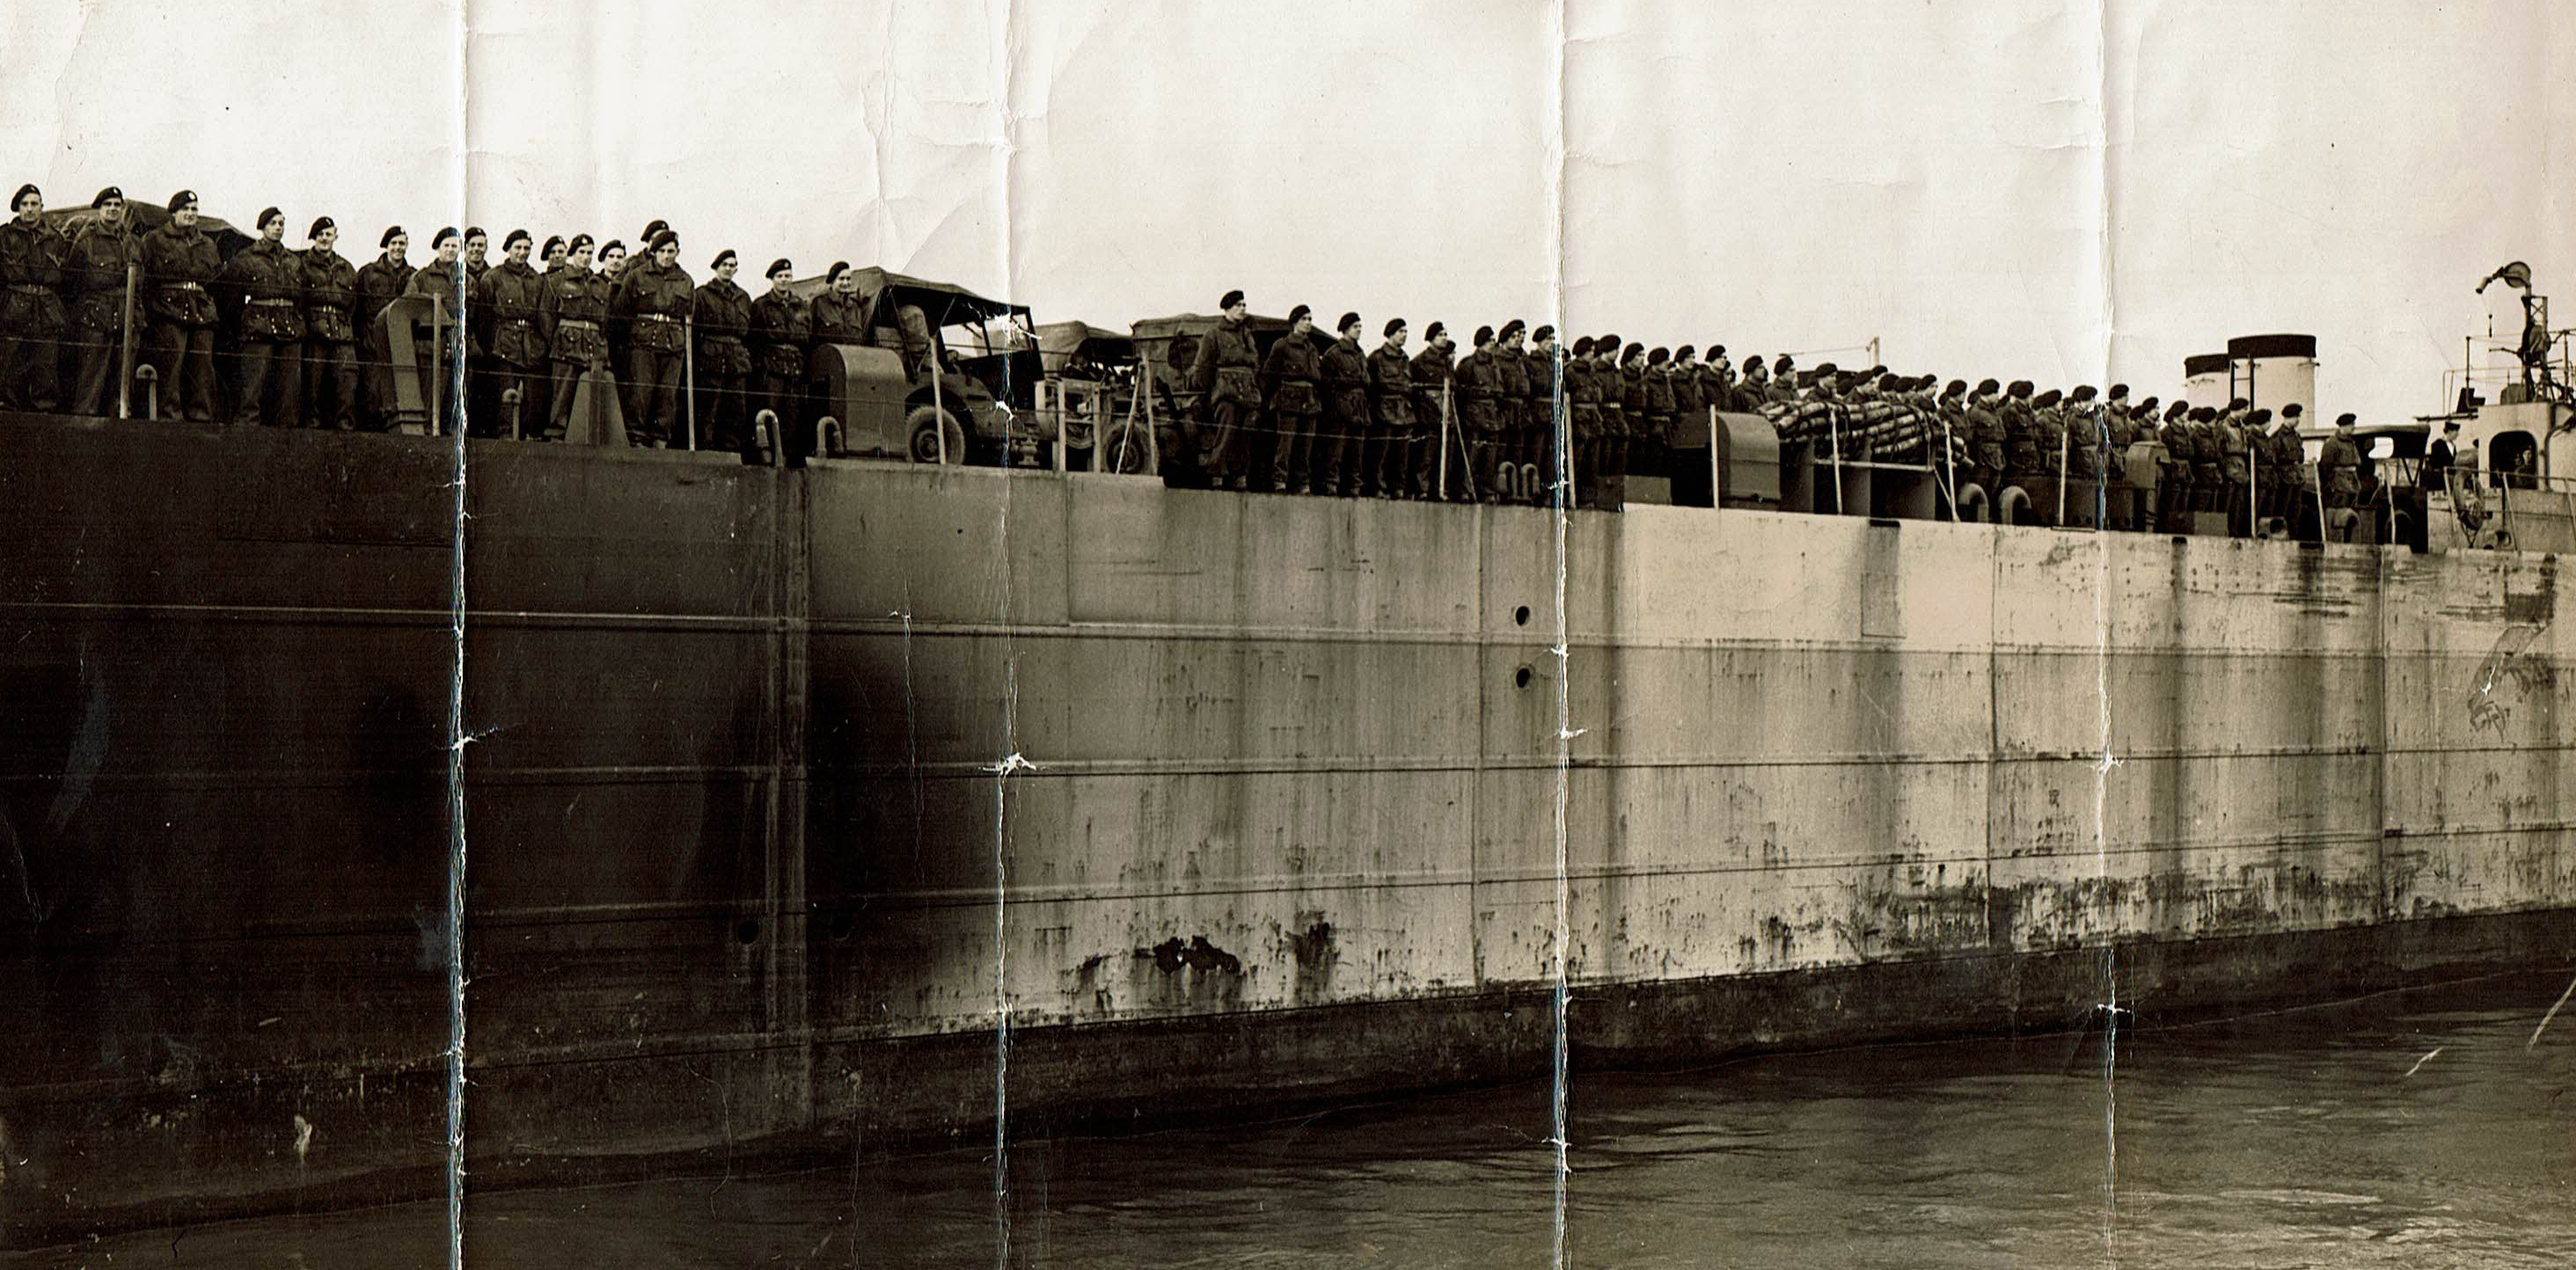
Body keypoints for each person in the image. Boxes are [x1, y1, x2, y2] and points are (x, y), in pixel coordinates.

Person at [140, 190, 223, 421]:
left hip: (202, 311)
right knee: (171, 364)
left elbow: (216, 280)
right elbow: (144, 279)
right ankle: (169, 415)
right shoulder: (155, 239)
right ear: (173, 212)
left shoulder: (207, 243)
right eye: (185, 209)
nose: (190, 214)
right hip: (168, 309)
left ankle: (202, 415)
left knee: (203, 365)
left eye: (194, 209)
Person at [62, 186, 139, 417]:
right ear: (99, 209)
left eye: (117, 205)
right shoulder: (86, 240)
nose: (113, 209)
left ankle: (117, 425)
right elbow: (71, 280)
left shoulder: (133, 242)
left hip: (127, 314)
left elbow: (142, 284)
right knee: (91, 376)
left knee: (122, 377)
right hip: (95, 314)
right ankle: (85, 424)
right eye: (108, 205)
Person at [612, 228, 692, 448]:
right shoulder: (637, 275)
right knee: (640, 391)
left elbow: (688, 315)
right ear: (654, 252)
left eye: (671, 251)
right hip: (643, 342)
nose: (667, 256)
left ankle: (660, 439)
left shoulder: (685, 280)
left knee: (667, 395)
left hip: (673, 344)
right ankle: (636, 438)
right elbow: (622, 311)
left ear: (678, 252)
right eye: (663, 251)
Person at [474, 229, 547, 438]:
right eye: (518, 247)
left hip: (531, 344)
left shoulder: (537, 280)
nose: (522, 252)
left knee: (532, 396)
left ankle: (528, 435)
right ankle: (505, 435)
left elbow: (543, 315)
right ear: (508, 249)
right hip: (503, 344)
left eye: (526, 248)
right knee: (505, 394)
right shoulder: (493, 278)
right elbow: (484, 317)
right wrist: (490, 347)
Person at [0, 182, 65, 412]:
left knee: (45, 365)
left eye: (34, 204)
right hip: (14, 309)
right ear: (17, 208)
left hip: (47, 311)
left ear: (42, 207)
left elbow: (67, 280)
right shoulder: (5, 236)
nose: (29, 209)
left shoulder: (56, 240)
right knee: (10, 363)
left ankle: (44, 412)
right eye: (24, 204)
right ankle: (7, 410)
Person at [404, 226, 476, 431]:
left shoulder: (467, 280)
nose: (451, 250)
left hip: (459, 346)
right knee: (429, 393)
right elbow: (410, 309)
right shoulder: (422, 278)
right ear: (438, 248)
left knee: (456, 397)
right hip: (430, 346)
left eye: (455, 246)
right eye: (447, 246)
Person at [538, 235, 610, 442]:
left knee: (592, 391)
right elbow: (545, 314)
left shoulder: (600, 283)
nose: (586, 257)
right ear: (572, 253)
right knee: (562, 393)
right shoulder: (556, 280)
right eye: (582, 252)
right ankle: (557, 435)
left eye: (590, 253)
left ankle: (586, 437)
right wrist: (557, 339)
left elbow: (607, 318)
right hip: (566, 345)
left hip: (593, 345)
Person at [1189, 289, 1260, 491]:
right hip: (1226, 393)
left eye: (1244, 305)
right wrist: (1207, 394)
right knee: (1226, 433)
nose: (1243, 309)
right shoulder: (1214, 334)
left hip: (1248, 394)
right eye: (1238, 305)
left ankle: (1240, 475)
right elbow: (1203, 366)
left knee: (1246, 436)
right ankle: (1217, 474)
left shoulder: (1247, 335)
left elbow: (1255, 364)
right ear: (1227, 309)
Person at [299, 217, 361, 430]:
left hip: (342, 333)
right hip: (314, 333)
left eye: (328, 234)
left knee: (347, 383)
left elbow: (353, 304)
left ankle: (345, 428)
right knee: (312, 385)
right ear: (314, 238)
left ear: (336, 236)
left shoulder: (346, 268)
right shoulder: (303, 264)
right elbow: (300, 301)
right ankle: (311, 427)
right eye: (320, 235)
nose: (324, 239)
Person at [748, 257, 811, 458]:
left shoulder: (800, 306)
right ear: (772, 279)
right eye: (780, 276)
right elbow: (754, 339)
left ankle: (786, 456)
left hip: (794, 368)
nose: (784, 280)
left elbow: (807, 338)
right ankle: (767, 456)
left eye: (787, 276)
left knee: (792, 416)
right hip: (771, 369)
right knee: (769, 411)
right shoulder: (761, 305)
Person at [693, 249, 754, 455]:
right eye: (724, 265)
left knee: (736, 412)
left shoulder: (743, 298)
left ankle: (732, 452)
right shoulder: (702, 295)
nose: (728, 269)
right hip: (710, 360)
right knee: (708, 410)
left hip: (736, 363)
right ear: (716, 268)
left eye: (732, 265)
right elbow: (694, 331)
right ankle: (706, 452)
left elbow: (749, 334)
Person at [1260, 304, 1325, 493]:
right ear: (1295, 322)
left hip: (1310, 401)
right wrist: (1269, 398)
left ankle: (1302, 483)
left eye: (1310, 319)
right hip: (1288, 399)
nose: (1308, 323)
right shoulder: (1282, 345)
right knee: (1285, 445)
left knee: (1305, 446)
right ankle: (1280, 481)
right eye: (1304, 319)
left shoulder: (1312, 349)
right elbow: (1269, 374)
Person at [354, 227, 413, 430]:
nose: (398, 248)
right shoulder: (368, 273)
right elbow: (357, 310)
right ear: (386, 246)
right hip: (372, 345)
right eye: (394, 243)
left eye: (402, 243)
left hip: (401, 346)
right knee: (372, 393)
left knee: (398, 395)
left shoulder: (413, 276)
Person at [1318, 311, 1370, 496]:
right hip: (1341, 408)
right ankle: (1331, 483)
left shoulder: (1360, 354)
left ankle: (1354, 485)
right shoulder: (1334, 354)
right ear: (1346, 329)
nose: (1359, 330)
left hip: (1359, 407)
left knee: (1357, 451)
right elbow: (1327, 384)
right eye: (1356, 327)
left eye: (1360, 327)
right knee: (1336, 449)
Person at [1367, 318, 1416, 499]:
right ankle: (1378, 487)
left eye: (1405, 332)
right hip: (1384, 410)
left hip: (1404, 412)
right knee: (1381, 453)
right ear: (1390, 334)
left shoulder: (1405, 359)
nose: (1404, 335)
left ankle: (1398, 487)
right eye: (1400, 332)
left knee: (1401, 454)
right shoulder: (1377, 358)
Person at [1409, 321, 1456, 500]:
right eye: (1440, 335)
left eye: (1445, 335)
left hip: (1446, 414)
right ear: (1431, 338)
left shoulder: (1446, 362)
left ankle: (1440, 489)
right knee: (1426, 456)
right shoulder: (1420, 362)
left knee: (1445, 456)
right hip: (1428, 414)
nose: (1444, 338)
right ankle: (1422, 490)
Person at [2426, 419, 2461, 498]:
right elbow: (2434, 463)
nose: (2458, 434)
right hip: (2442, 479)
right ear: (2450, 432)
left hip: (2453, 479)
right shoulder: (2437, 445)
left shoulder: (2453, 446)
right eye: (2456, 432)